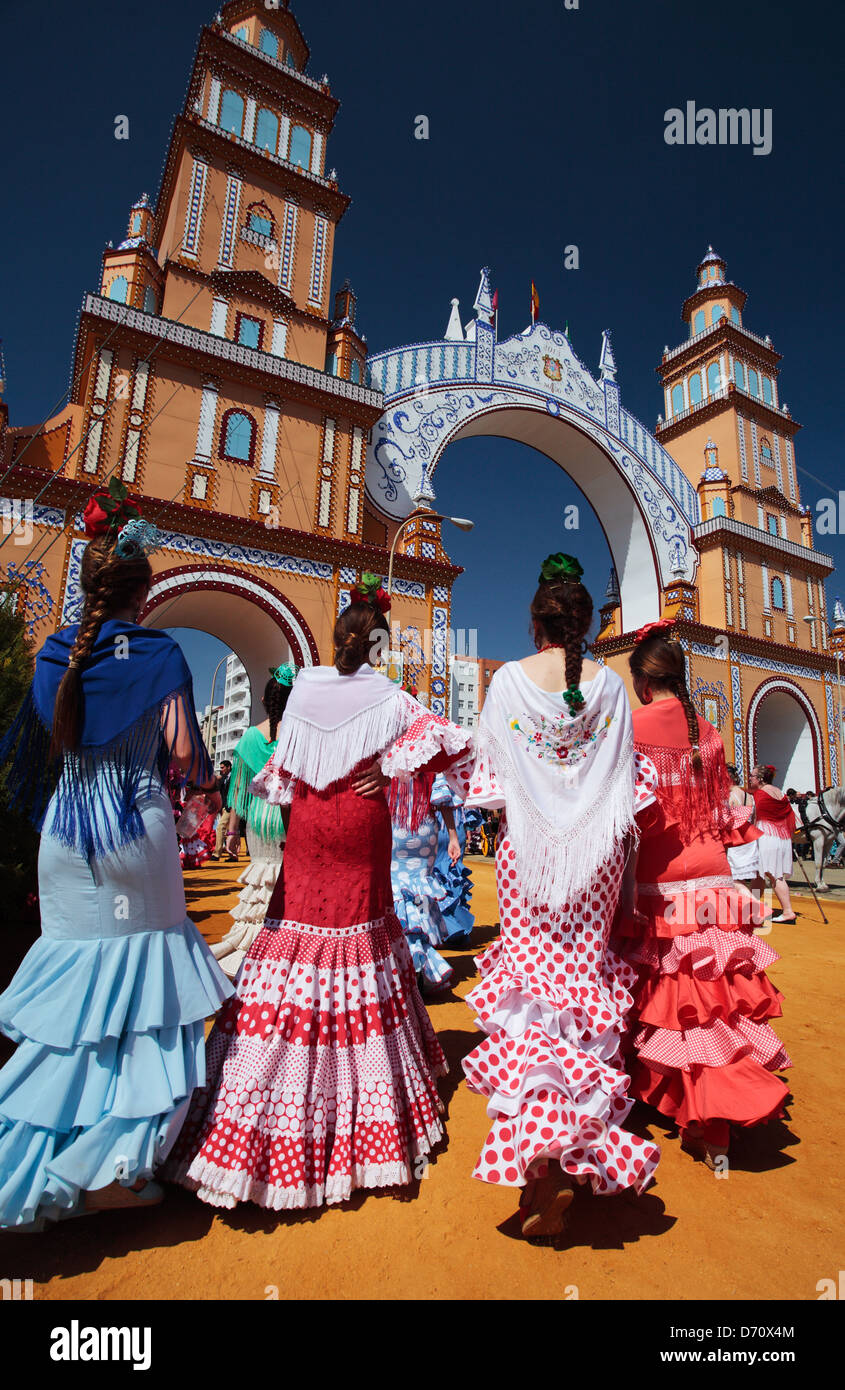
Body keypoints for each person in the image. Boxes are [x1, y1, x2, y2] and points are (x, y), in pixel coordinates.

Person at [166, 572, 473, 1211]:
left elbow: (283, 764)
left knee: (297, 939)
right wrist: (387, 771)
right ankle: (367, 1109)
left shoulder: (302, 687)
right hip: (361, 828)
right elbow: (449, 746)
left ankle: (265, 1101)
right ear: (380, 645)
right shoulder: (389, 696)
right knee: (359, 940)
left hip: (307, 824)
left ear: (336, 641)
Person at [0, 488, 233, 1231]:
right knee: (142, 999)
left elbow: (36, 753)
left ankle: (36, 1163)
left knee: (76, 1009)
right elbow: (187, 758)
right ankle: (119, 1164)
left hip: (64, 840)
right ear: (143, 590)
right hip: (135, 832)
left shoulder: (50, 654)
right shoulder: (159, 653)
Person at [456, 553, 660, 1240]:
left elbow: (485, 783)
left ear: (536, 621)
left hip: (528, 858)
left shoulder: (509, 681)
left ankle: (543, 1167)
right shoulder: (609, 688)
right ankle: (578, 1151)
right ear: (581, 625)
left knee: (532, 998)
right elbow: (624, 791)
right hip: (595, 861)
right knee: (581, 992)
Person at [612, 621, 790, 1171]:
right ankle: (714, 1119)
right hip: (714, 875)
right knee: (719, 1002)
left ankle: (701, 1112)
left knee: (677, 1003)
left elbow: (627, 820)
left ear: (643, 681)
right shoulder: (708, 734)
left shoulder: (631, 727)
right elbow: (718, 810)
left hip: (661, 878)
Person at [211, 665, 297, 979]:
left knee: (262, 883)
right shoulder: (298, 737)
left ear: (263, 700)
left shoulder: (249, 737)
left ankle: (251, 948)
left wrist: (233, 830)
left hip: (259, 819)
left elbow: (239, 788)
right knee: (288, 884)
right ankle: (283, 951)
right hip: (290, 815)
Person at [389, 773, 462, 994]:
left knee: (395, 894)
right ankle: (418, 964)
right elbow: (443, 800)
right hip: (424, 831)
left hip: (392, 827)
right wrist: (453, 837)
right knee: (419, 895)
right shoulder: (427, 748)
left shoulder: (385, 750)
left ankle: (399, 966)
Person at [431, 774, 479, 949]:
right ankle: (454, 928)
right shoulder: (460, 757)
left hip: (436, 818)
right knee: (453, 871)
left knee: (436, 873)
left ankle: (445, 929)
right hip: (455, 819)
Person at [749, 764, 798, 924]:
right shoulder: (780, 793)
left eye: (753, 776)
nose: (750, 778)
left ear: (761, 779)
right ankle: (751, 909)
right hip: (781, 836)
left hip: (766, 835)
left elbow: (754, 817)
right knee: (759, 874)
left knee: (773, 874)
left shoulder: (759, 794)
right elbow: (790, 816)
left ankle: (788, 911)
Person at [725, 763, 761, 887]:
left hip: (736, 841)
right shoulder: (749, 796)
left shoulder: (730, 796)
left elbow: (727, 821)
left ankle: (746, 904)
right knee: (750, 877)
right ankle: (753, 903)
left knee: (736, 880)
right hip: (750, 840)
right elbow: (755, 819)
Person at [210, 760, 232, 860]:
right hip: (224, 806)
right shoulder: (223, 778)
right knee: (230, 829)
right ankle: (233, 854)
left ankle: (217, 853)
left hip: (232, 806)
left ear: (229, 767)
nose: (221, 769)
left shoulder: (235, 776)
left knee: (220, 827)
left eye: (223, 767)